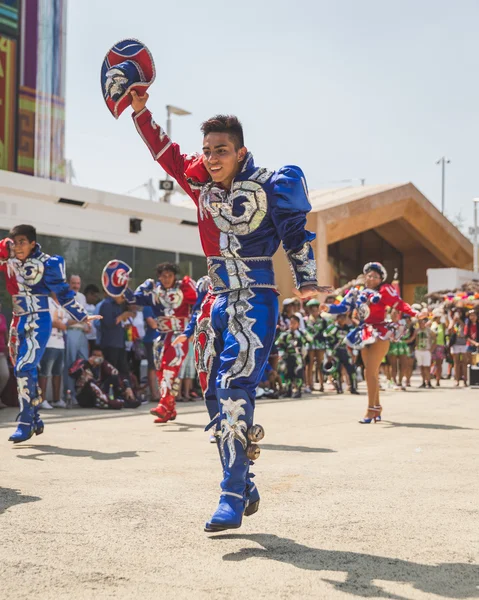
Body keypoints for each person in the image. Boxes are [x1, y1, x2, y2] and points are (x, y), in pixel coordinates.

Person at [129, 90, 323, 531]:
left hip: (255, 298)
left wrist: (306, 280)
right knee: (214, 394)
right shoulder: (198, 181)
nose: (212, 158)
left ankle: (231, 494)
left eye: (221, 150)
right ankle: (244, 480)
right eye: (208, 151)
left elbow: (295, 234)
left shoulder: (274, 185)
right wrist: (140, 110)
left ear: (241, 151)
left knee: (235, 384)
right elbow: (164, 151)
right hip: (213, 299)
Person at [0, 225, 98, 442]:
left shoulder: (47, 263)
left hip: (38, 320)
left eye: (22, 242)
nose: (17, 247)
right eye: (14, 242)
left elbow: (62, 293)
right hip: (18, 320)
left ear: (33, 243)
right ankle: (34, 416)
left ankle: (25, 422)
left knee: (25, 366)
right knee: (20, 370)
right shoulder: (8, 259)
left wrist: (82, 316)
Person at [321, 262, 416, 423]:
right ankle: (377, 407)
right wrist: (328, 308)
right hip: (364, 332)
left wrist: (415, 313)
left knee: (371, 371)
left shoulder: (384, 291)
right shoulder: (356, 292)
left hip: (380, 332)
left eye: (375, 276)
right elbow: (343, 307)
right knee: (368, 372)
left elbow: (399, 304)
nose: (371, 278)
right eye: (369, 275)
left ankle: (370, 410)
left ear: (380, 279)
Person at [132, 262, 197, 423]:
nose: (166, 279)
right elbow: (135, 298)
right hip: (161, 335)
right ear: (159, 277)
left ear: (175, 276)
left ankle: (163, 405)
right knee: (161, 370)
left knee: (169, 368)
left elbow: (198, 303)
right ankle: (170, 410)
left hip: (179, 335)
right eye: (163, 276)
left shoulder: (185, 287)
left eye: (169, 275)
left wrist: (193, 329)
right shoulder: (154, 289)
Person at [69, 345, 140, 409]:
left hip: (99, 394)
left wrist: (128, 387)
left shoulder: (104, 364)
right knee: (90, 381)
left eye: (99, 356)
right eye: (94, 355)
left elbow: (117, 374)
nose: (96, 358)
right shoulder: (82, 362)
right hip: (85, 396)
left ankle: (126, 400)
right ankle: (110, 402)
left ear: (102, 357)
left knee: (114, 378)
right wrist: (87, 364)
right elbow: (71, 373)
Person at [38, 295, 69, 409]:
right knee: (45, 372)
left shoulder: (61, 304)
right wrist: (60, 324)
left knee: (58, 371)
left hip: (60, 342)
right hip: (49, 341)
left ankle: (56, 399)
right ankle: (42, 399)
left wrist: (81, 320)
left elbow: (64, 321)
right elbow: (47, 320)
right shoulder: (47, 301)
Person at [64, 274, 91, 403]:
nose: (76, 286)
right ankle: (70, 395)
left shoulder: (82, 297)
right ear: (68, 283)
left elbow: (84, 316)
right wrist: (79, 321)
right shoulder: (64, 296)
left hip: (82, 333)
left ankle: (83, 395)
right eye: (73, 283)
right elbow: (66, 320)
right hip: (71, 332)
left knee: (83, 364)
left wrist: (86, 325)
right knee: (71, 364)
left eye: (78, 283)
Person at [276, 315, 312, 398]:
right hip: (287, 356)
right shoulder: (285, 334)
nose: (292, 325)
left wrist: (304, 344)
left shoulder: (302, 333)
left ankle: (298, 390)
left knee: (298, 373)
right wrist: (281, 354)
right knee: (287, 373)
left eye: (294, 323)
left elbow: (310, 339)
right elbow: (278, 344)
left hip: (298, 357)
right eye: (291, 323)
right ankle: (288, 390)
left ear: (298, 324)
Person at [323, 313, 359, 394]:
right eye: (341, 317)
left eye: (344, 317)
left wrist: (354, 352)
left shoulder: (349, 329)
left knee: (351, 369)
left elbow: (354, 340)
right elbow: (327, 339)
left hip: (346, 352)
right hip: (335, 352)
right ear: (337, 318)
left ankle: (353, 387)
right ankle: (339, 388)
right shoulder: (333, 328)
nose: (343, 319)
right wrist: (329, 353)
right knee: (337, 370)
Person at [305, 298, 327, 392]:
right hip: (310, 345)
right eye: (312, 309)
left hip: (320, 344)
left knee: (320, 364)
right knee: (309, 364)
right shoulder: (306, 320)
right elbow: (305, 331)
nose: (314, 312)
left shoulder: (323, 320)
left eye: (316, 309)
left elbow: (326, 331)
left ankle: (322, 384)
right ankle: (309, 384)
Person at [415, 312, 436, 389]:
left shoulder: (429, 330)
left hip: (426, 350)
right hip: (419, 350)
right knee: (421, 367)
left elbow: (435, 339)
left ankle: (429, 382)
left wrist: (431, 349)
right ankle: (423, 382)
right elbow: (415, 339)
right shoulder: (417, 330)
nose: (421, 324)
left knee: (427, 367)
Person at [448, 309, 468, 387]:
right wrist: (453, 321)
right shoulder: (452, 321)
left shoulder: (465, 320)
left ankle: (465, 380)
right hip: (455, 344)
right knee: (456, 363)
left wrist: (459, 320)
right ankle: (457, 380)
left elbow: (465, 328)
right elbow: (449, 330)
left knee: (464, 362)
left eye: (459, 312)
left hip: (463, 343)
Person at [430, 309, 447, 386]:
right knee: (429, 363)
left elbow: (448, 326)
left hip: (440, 345)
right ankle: (428, 378)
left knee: (439, 364)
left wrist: (445, 315)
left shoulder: (442, 325)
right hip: (431, 345)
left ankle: (438, 380)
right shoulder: (431, 323)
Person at [84, 283, 101, 354]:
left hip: (93, 338)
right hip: (84, 338)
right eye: (94, 296)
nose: (95, 299)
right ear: (89, 294)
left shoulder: (95, 308)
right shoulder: (82, 306)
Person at [0, 300, 9, 409]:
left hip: (2, 351)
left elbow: (6, 332)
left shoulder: (2, 317)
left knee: (4, 375)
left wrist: (8, 345)